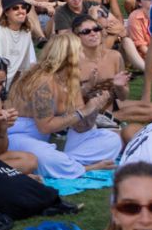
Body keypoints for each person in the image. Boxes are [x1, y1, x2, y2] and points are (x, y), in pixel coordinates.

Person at [6, 32, 121, 178]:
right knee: (46, 156)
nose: (84, 56)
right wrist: (84, 111)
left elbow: (81, 127)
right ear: (69, 56)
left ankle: (64, 163)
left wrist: (94, 108)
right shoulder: (43, 80)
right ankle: (85, 167)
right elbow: (45, 126)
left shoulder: (71, 79)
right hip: (21, 136)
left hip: (49, 138)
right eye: (80, 51)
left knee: (111, 140)